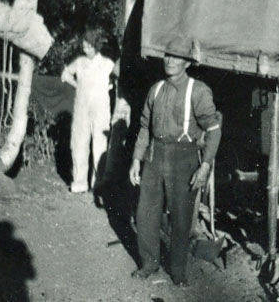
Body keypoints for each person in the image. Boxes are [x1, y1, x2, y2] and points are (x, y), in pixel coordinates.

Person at [128, 39, 221, 287]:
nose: (170, 60)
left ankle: (178, 270)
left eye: (176, 57)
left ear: (187, 62)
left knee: (181, 217)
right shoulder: (156, 89)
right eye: (167, 55)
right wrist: (137, 159)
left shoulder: (198, 90)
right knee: (145, 212)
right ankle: (149, 263)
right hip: (155, 154)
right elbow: (145, 128)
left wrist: (205, 165)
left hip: (184, 156)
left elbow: (213, 129)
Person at [61, 27, 116, 194]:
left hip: (100, 108)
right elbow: (65, 74)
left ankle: (98, 184)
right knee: (79, 142)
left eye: (89, 47)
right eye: (84, 47)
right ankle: (79, 182)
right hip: (82, 107)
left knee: (100, 144)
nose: (86, 50)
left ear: (97, 46)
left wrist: (109, 87)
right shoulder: (79, 62)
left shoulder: (107, 64)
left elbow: (118, 79)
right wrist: (77, 85)